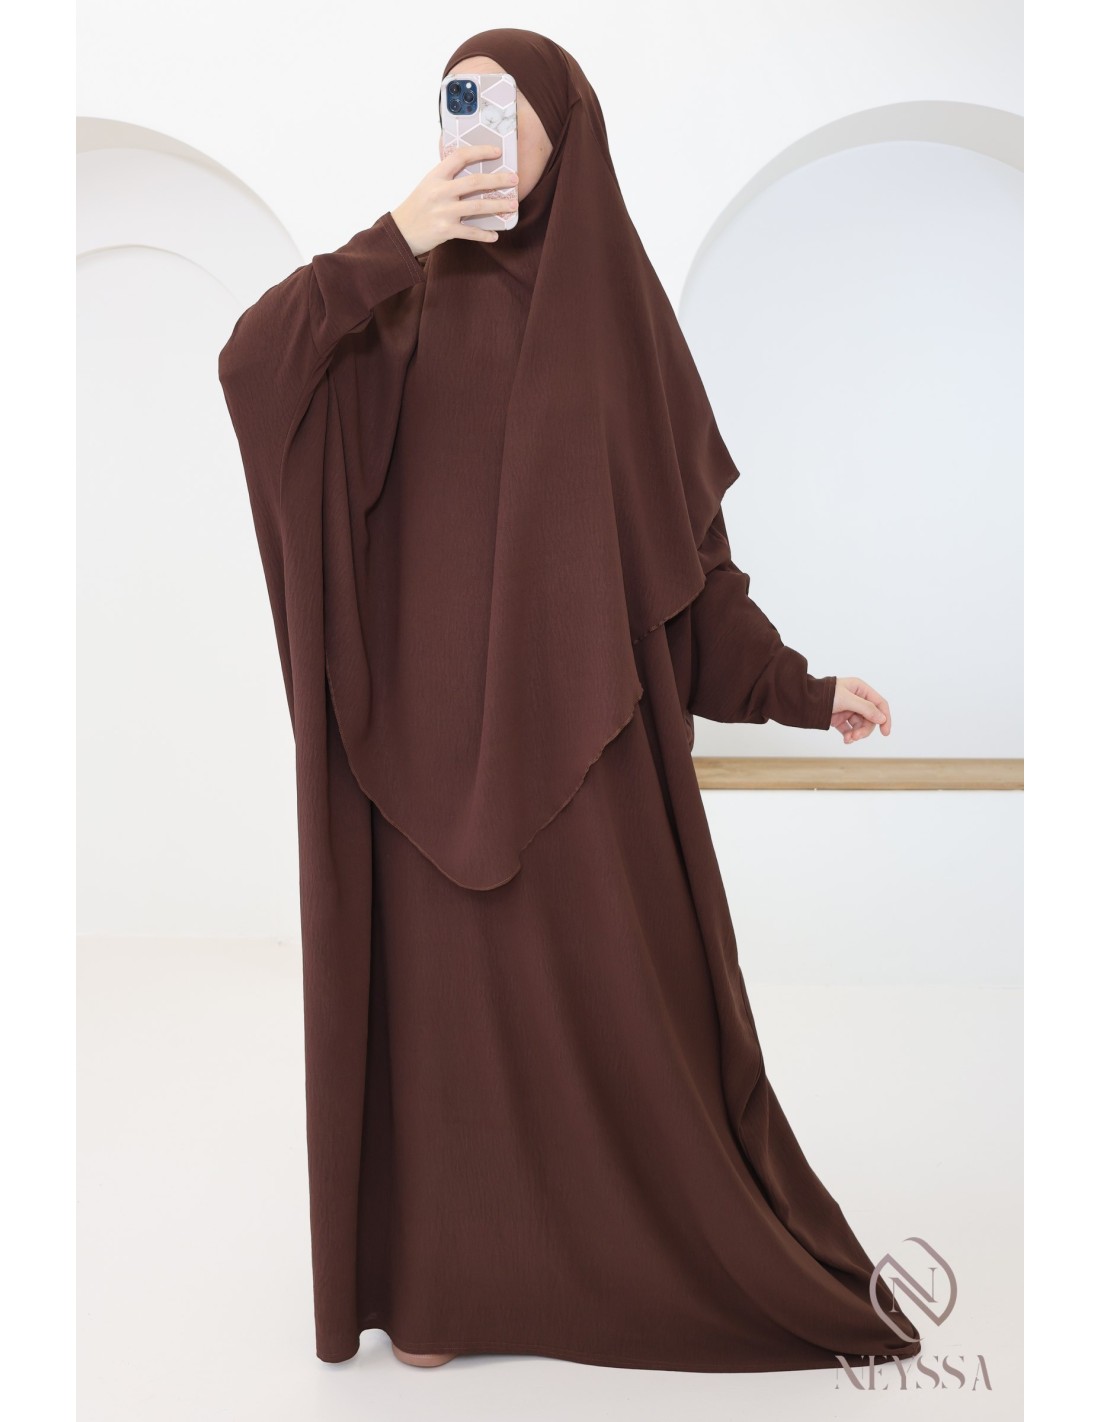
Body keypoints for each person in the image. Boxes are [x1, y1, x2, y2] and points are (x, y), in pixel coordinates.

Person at [218, 27, 919, 1374]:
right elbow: (254, 367)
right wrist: (394, 240)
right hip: (418, 764)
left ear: (564, 129)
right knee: (443, 1042)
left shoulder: (617, 317)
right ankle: (443, 1294)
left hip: (588, 750)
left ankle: (617, 1270)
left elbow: (686, 570)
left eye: (502, 106)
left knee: (633, 1034)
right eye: (455, 105)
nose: (473, 128)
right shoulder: (394, 300)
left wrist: (798, 687)